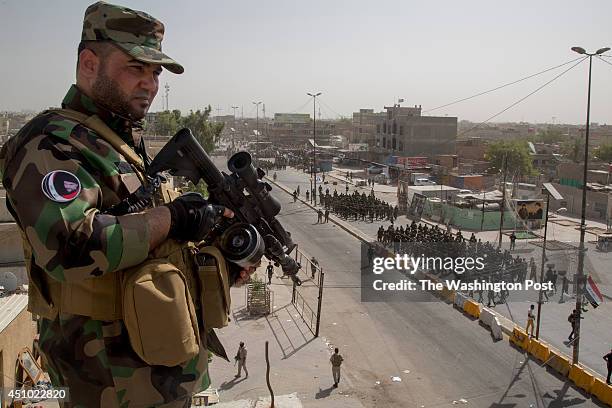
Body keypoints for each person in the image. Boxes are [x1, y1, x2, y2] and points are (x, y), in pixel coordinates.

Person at [0, 3, 256, 406]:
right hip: (109, 381)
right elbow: (69, 247)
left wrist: (219, 262)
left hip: (155, 373)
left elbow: (150, 249)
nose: (150, 83)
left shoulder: (116, 141)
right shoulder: (51, 143)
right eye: (136, 68)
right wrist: (172, 218)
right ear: (89, 64)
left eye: (154, 73)